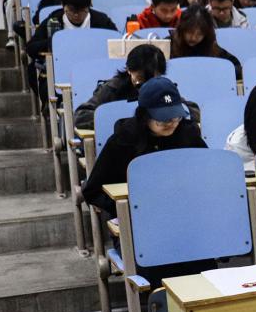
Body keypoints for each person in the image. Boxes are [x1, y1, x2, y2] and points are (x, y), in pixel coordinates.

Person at [82, 76, 206, 217]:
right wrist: (129, 209)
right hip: (138, 216)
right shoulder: (123, 140)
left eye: (176, 116)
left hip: (186, 210)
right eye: (163, 119)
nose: (172, 123)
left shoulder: (188, 134)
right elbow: (93, 191)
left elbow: (208, 173)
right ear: (145, 115)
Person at [25, 0, 116, 100]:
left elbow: (115, 42)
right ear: (63, 6)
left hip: (96, 74)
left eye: (82, 10)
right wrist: (54, 42)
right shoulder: (54, 20)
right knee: (46, 88)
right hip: (62, 75)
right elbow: (31, 47)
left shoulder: (101, 21)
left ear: (89, 6)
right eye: (72, 10)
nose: (76, 15)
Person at [75, 44, 198, 130]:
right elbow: (81, 116)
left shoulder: (163, 88)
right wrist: (116, 118)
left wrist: (173, 115)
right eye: (140, 79)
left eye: (153, 79)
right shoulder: (113, 88)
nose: (147, 85)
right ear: (129, 70)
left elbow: (193, 111)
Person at [169, 7, 242, 78]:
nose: (193, 38)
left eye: (199, 34)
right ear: (182, 29)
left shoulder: (212, 47)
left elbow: (237, 68)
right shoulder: (169, 43)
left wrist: (216, 71)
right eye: (190, 32)